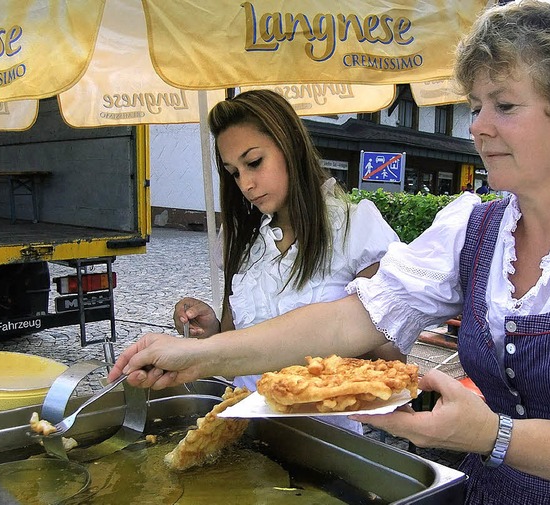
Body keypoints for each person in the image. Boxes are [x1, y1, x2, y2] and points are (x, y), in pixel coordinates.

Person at [109, 2, 550, 502]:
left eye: (505, 105)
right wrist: (197, 356)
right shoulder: (473, 230)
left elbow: (376, 350)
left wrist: (493, 435)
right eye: (475, 107)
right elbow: (348, 320)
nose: (478, 127)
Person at [171, 89, 402, 433]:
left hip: (330, 440)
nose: (246, 184)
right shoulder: (244, 239)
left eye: (254, 162)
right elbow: (235, 357)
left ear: (289, 146)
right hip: (250, 433)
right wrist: (211, 330)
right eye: (233, 172)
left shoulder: (356, 230)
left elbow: (391, 361)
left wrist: (308, 363)